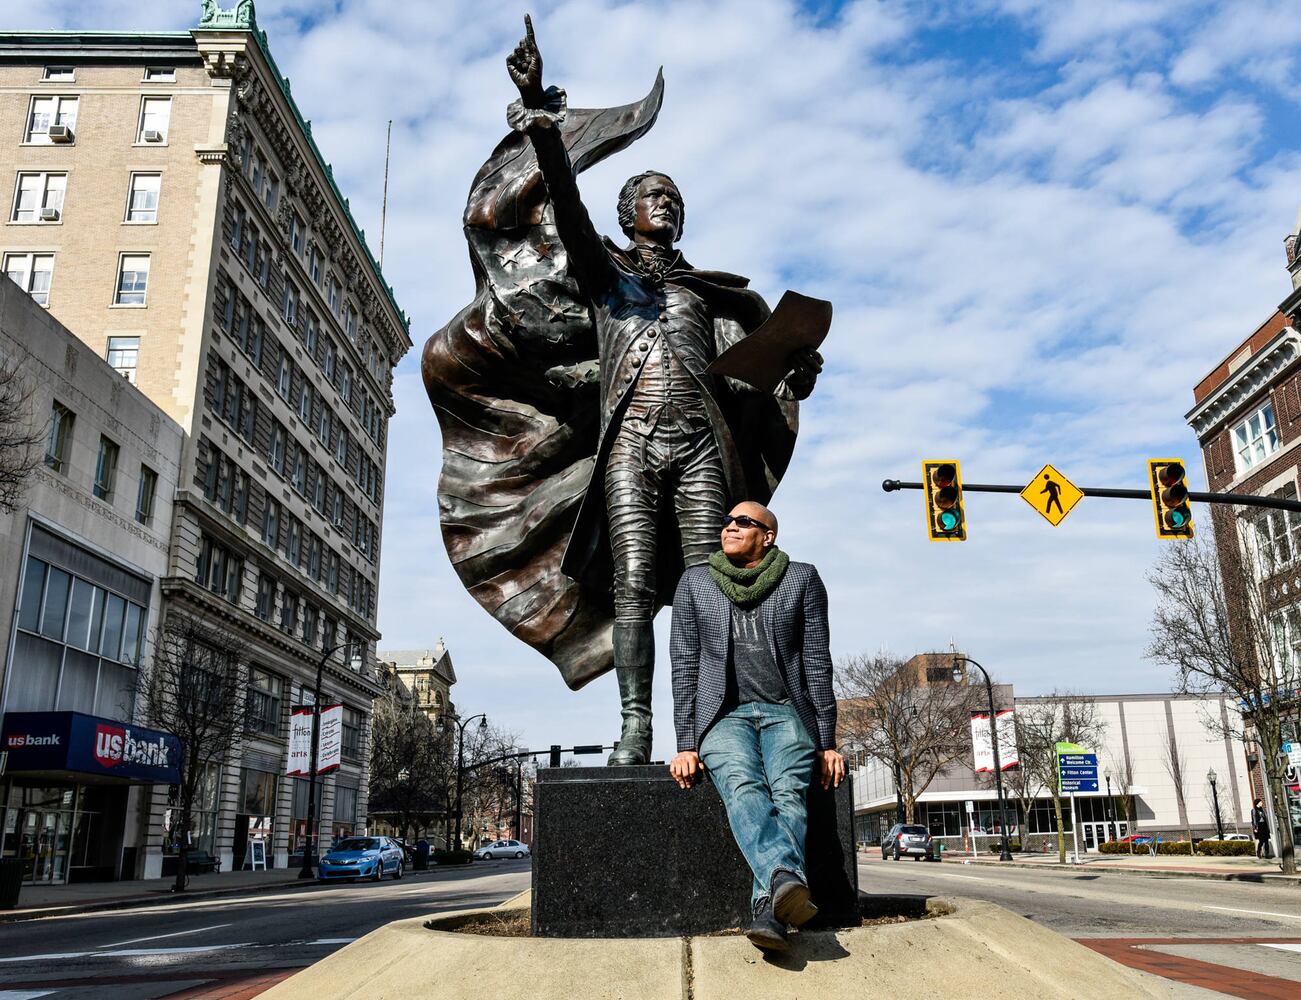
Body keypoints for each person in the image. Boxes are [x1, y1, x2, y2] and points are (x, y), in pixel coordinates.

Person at [505, 17, 822, 765]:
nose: (667, 203)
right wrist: (543, 123)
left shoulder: (706, 297)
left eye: (675, 197)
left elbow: (747, 379)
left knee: (711, 589)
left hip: (700, 447)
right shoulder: (606, 279)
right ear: (628, 215)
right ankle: (636, 726)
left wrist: (793, 372)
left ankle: (711, 727)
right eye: (653, 194)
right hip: (631, 446)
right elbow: (566, 208)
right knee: (634, 584)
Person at [668, 501, 845, 952]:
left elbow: (816, 662)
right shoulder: (695, 582)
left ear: (767, 536)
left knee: (789, 792)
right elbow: (684, 664)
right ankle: (784, 879)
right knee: (743, 785)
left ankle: (769, 909)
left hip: (787, 710)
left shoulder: (801, 578)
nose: (729, 527)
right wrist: (686, 742)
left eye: (742, 522)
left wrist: (827, 741)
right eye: (727, 521)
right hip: (723, 715)